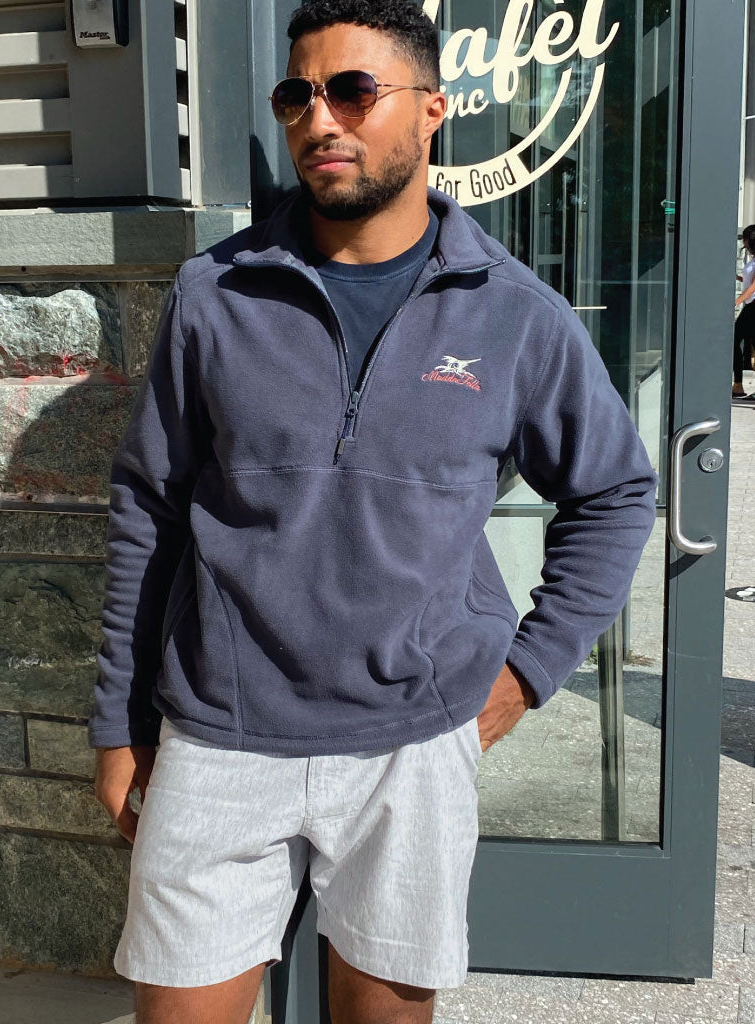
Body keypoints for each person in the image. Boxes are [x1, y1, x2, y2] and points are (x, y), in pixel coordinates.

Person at [88, 3, 658, 1022]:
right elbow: (149, 506)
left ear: (432, 109)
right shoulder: (214, 295)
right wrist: (118, 722)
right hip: (221, 731)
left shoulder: (513, 314)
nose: (320, 120)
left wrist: (527, 675)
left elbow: (613, 491)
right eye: (297, 96)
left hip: (411, 746)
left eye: (353, 91)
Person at [733, 223, 755, 399]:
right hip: (751, 306)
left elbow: (753, 287)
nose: (743, 243)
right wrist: (737, 277)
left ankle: (738, 385)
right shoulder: (753, 259)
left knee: (734, 339)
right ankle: (738, 385)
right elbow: (749, 281)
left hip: (753, 306)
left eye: (745, 239)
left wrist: (736, 302)